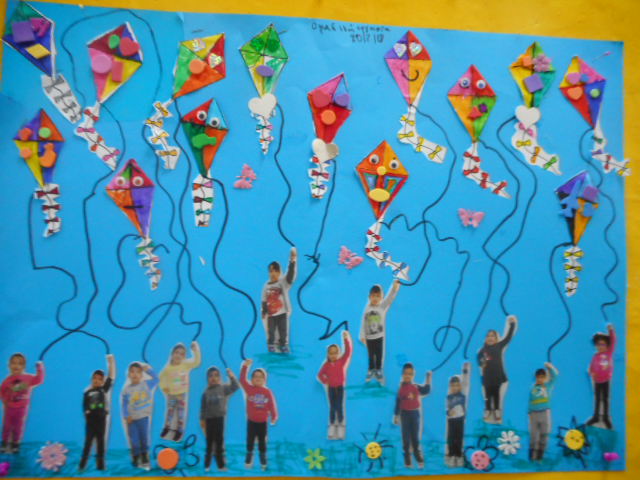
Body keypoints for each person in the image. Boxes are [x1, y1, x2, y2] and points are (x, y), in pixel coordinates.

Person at [476, 315, 517, 423]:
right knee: (487, 395)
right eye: (488, 336)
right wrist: (481, 362)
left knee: (496, 394)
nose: (490, 338)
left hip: (497, 376)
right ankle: (488, 409)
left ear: (496, 338)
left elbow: (508, 338)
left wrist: (512, 324)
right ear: (485, 338)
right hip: (487, 377)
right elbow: (478, 359)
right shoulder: (483, 350)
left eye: (492, 336)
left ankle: (497, 410)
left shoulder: (499, 346)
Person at [0, 354, 44, 454]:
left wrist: (39, 367)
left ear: (24, 366)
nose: (16, 366)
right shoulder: (7, 381)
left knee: (18, 427)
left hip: (22, 409)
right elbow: (2, 391)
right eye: (13, 363)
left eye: (20, 363)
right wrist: (5, 400)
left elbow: (39, 380)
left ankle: (15, 444)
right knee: (7, 426)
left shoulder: (28, 378)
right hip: (9, 408)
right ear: (9, 365)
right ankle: (4, 443)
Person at [359, 280, 401, 384]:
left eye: (378, 296)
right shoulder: (367, 309)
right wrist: (362, 336)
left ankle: (378, 370)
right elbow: (363, 323)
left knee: (379, 355)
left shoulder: (381, 307)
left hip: (379, 337)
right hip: (369, 338)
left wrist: (394, 288)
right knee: (370, 355)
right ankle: (371, 370)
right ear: (369, 297)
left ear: (381, 297)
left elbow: (389, 299)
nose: (375, 298)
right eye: (373, 296)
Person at [239, 359, 277, 471]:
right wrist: (245, 366)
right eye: (255, 376)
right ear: (251, 380)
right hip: (251, 421)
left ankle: (263, 459)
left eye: (261, 377)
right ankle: (249, 457)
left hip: (262, 423)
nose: (258, 378)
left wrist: (274, 416)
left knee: (262, 442)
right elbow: (242, 380)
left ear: (264, 380)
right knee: (250, 440)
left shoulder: (267, 392)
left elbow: (272, 405)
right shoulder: (249, 389)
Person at [79, 354, 116, 471]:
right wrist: (86, 412)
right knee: (88, 443)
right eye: (95, 378)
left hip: (101, 420)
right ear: (91, 379)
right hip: (90, 422)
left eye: (100, 379)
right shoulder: (87, 393)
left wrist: (111, 362)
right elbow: (84, 406)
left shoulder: (103, 390)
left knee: (101, 443)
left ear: (102, 381)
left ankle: (100, 465)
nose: (97, 380)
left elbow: (111, 377)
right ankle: (82, 465)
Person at [159, 341, 201, 442]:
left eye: (182, 354)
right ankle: (167, 427)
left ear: (184, 357)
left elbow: (196, 362)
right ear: (172, 354)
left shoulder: (185, 364)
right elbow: (160, 378)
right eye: (176, 352)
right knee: (170, 412)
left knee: (181, 414)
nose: (178, 355)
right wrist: (164, 387)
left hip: (182, 394)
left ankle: (179, 430)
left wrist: (195, 351)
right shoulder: (168, 368)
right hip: (171, 395)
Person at [200, 366, 239, 472]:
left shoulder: (223, 388)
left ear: (220, 378)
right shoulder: (205, 393)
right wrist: (202, 420)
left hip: (219, 419)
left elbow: (235, 386)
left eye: (216, 375)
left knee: (219, 442)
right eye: (211, 376)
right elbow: (203, 409)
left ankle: (220, 465)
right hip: (209, 420)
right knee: (209, 443)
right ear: (207, 379)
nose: (213, 378)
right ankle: (206, 465)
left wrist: (231, 377)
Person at [393, 363, 431, 469]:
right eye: (405, 373)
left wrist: (428, 378)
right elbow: (398, 403)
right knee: (405, 437)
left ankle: (417, 454)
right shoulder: (400, 388)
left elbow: (426, 390)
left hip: (415, 414)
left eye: (410, 374)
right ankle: (407, 457)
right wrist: (396, 415)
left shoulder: (415, 387)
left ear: (413, 375)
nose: (407, 376)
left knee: (415, 437)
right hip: (404, 414)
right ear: (402, 374)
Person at [122, 362, 158, 470]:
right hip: (132, 420)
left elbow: (156, 379)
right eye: (132, 372)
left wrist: (148, 370)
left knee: (144, 439)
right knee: (134, 440)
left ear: (142, 375)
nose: (135, 374)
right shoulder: (126, 389)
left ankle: (144, 456)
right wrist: (126, 415)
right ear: (128, 374)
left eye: (138, 372)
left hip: (144, 418)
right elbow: (124, 404)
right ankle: (135, 456)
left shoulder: (146, 384)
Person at [317, 331, 352, 440]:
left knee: (339, 407)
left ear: (338, 353)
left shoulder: (341, 362)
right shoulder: (326, 365)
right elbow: (320, 375)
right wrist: (325, 381)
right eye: (331, 353)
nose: (333, 355)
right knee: (332, 407)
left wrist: (346, 339)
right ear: (328, 354)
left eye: (335, 353)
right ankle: (332, 425)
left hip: (340, 388)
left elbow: (348, 352)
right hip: (331, 388)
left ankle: (340, 425)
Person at [261, 247, 297, 353]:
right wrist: (264, 310)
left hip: (282, 313)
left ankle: (283, 345)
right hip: (271, 314)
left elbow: (290, 276)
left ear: (279, 272)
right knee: (271, 331)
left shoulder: (282, 283)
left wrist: (292, 261)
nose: (272, 273)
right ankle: (271, 344)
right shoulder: (266, 285)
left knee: (283, 330)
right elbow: (264, 298)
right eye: (270, 271)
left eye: (275, 271)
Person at [528, 362, 558, 461]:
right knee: (533, 436)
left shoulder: (548, 386)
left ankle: (540, 456)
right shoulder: (532, 388)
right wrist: (529, 412)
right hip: (533, 414)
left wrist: (549, 367)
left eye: (542, 377)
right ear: (536, 377)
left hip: (544, 413)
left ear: (545, 378)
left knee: (544, 435)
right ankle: (531, 456)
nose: (540, 379)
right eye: (538, 377)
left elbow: (555, 375)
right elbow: (530, 401)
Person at [587, 324, 615, 429]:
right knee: (598, 399)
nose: (600, 346)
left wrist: (611, 330)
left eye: (603, 344)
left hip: (606, 380)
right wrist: (591, 372)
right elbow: (592, 366)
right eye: (598, 344)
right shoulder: (595, 356)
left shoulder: (609, 353)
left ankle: (606, 418)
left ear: (607, 345)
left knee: (605, 399)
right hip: (597, 381)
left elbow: (613, 341)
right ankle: (596, 417)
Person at [445, 362, 470, 468]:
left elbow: (466, 382)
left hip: (460, 420)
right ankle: (451, 456)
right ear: (450, 387)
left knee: (459, 438)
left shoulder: (462, 395)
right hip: (451, 420)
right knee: (451, 438)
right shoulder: (449, 397)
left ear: (459, 385)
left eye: (457, 385)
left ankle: (458, 456)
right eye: (453, 386)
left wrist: (465, 370)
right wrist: (448, 412)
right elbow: (446, 409)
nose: (455, 387)